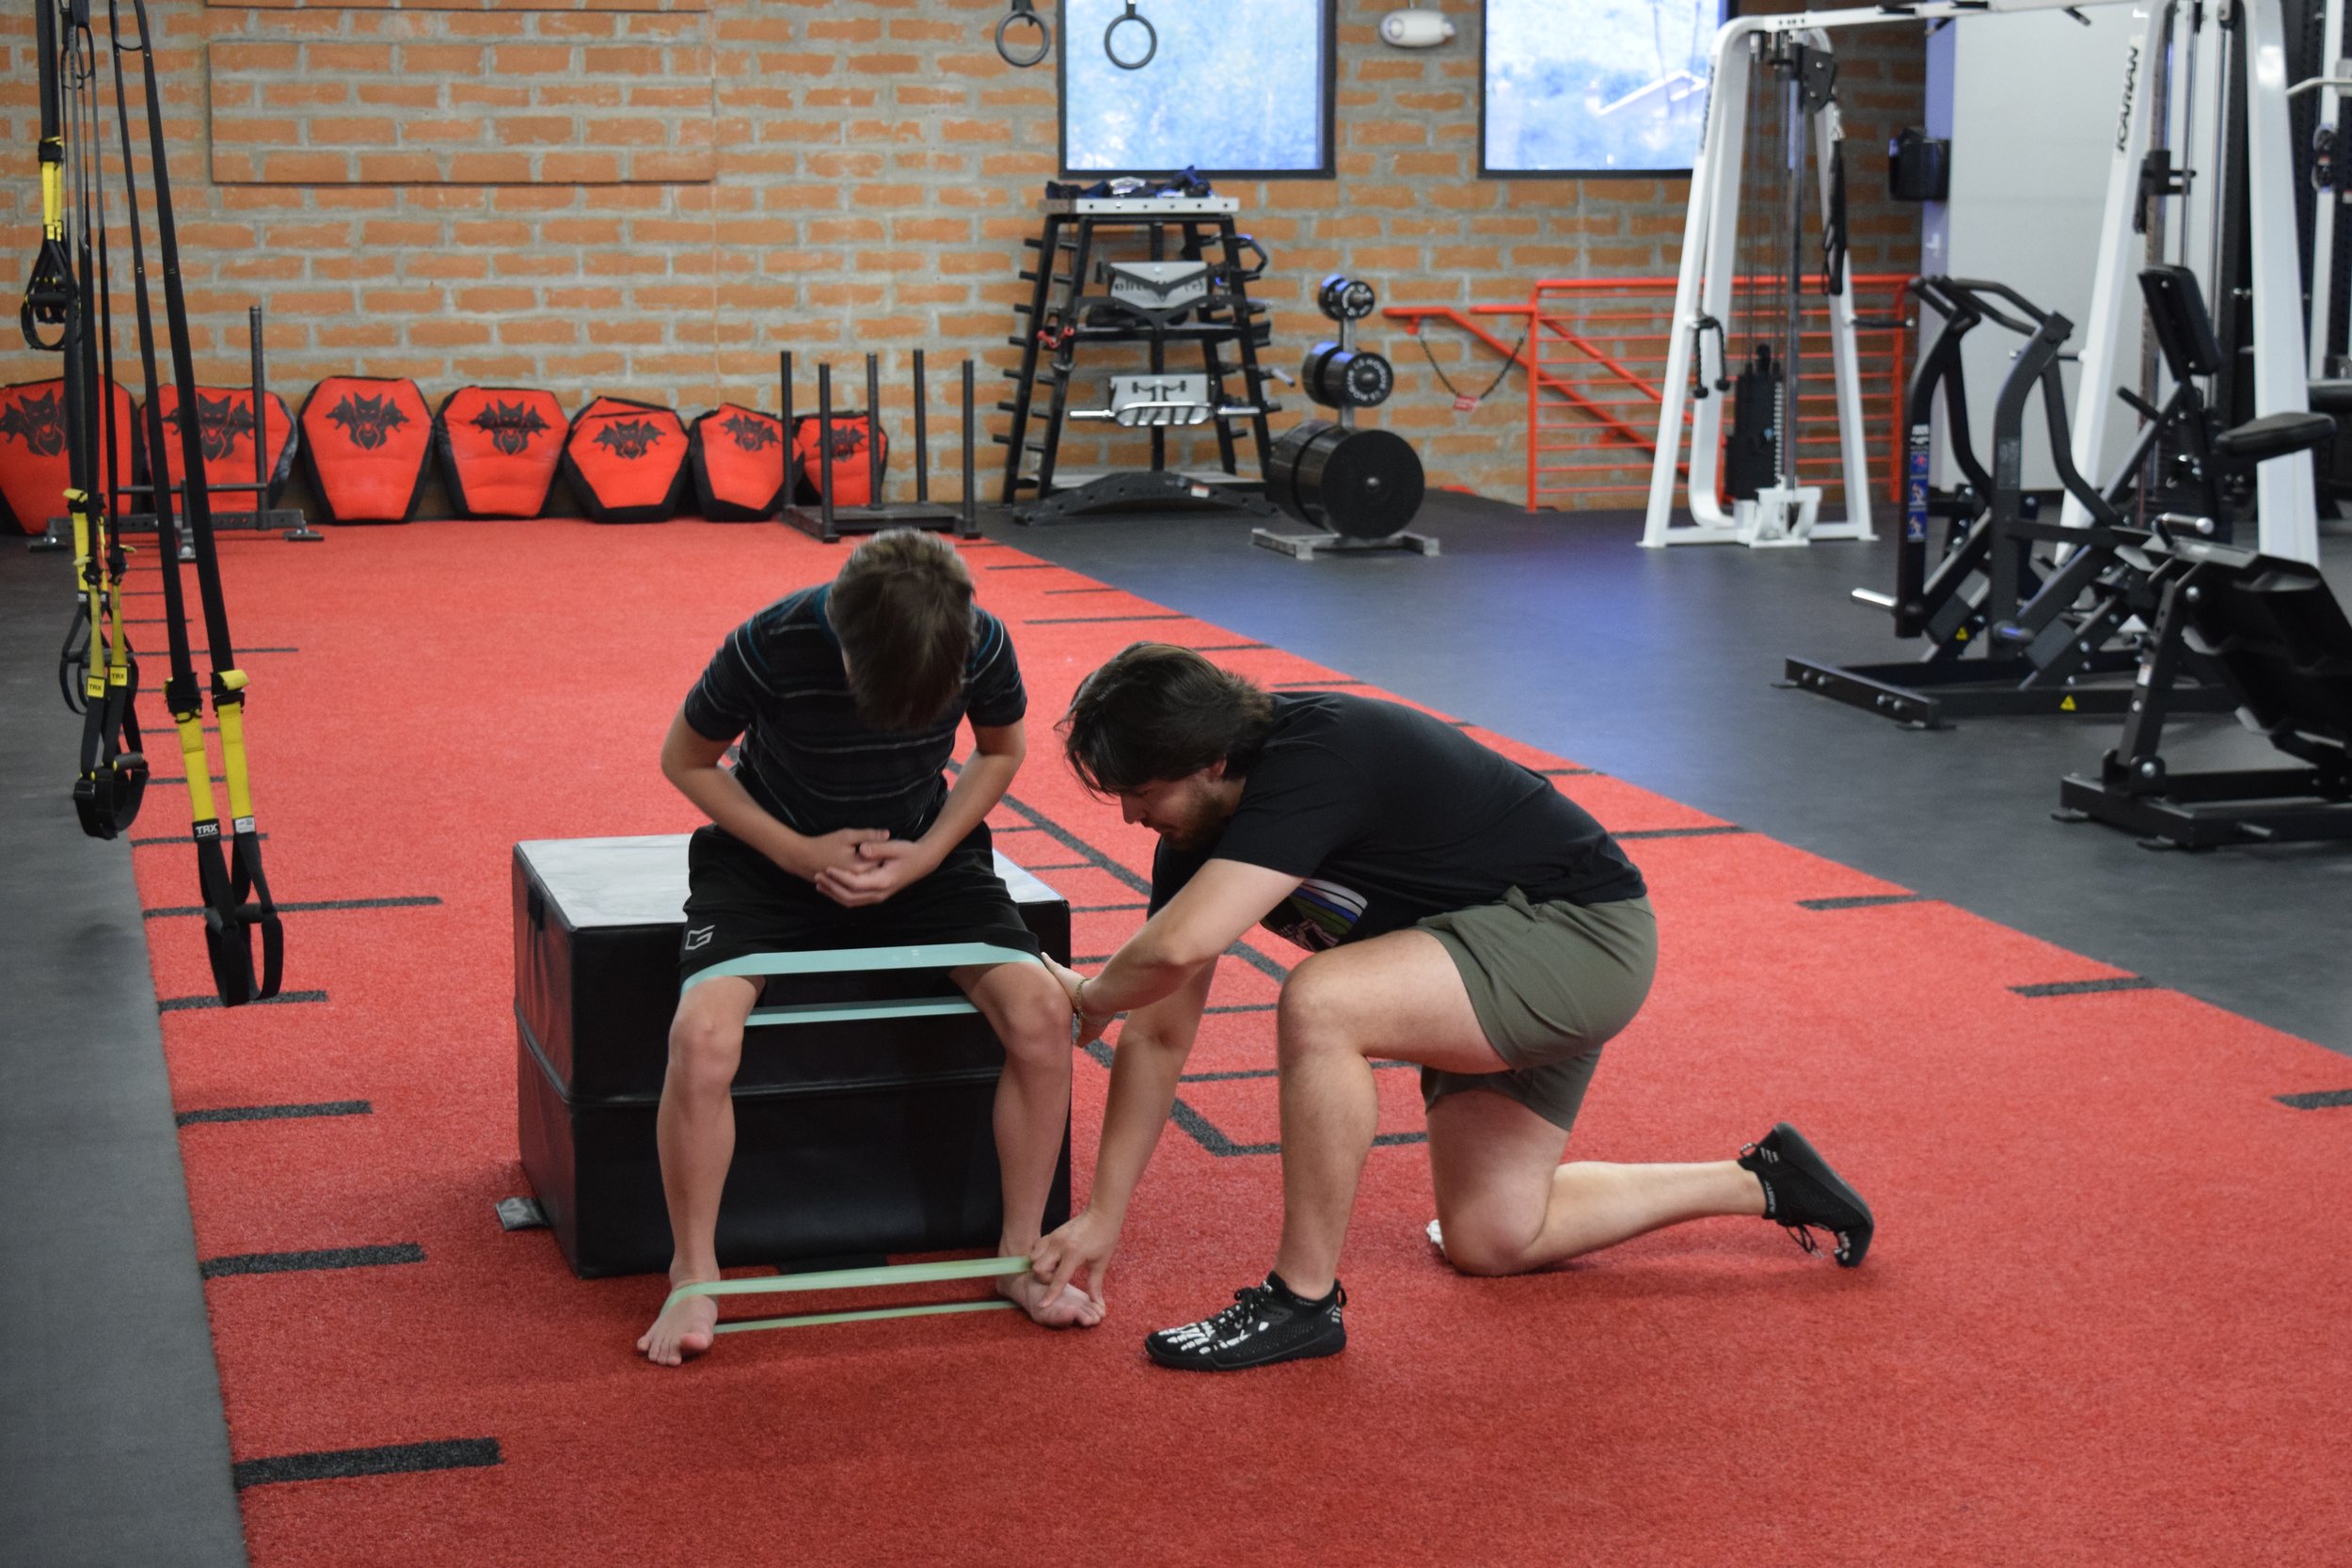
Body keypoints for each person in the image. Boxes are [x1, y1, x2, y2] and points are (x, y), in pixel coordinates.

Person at [1027, 642, 1871, 1371]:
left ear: (1212, 759)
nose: (1133, 815)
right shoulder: (1195, 835)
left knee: (1324, 999)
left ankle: (1301, 1301)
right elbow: (1162, 1027)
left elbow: (1171, 953)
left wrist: (1092, 995)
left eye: (1142, 791)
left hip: (1577, 938)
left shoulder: (1323, 751)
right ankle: (1763, 1177)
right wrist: (1103, 1214)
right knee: (1493, 1236)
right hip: (1480, 955)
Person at [637, 530, 1093, 1366]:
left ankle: (1018, 1255)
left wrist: (926, 854)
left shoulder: (980, 639)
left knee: (1038, 1015)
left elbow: (1001, 749)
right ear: (843, 645)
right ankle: (694, 1270)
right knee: (701, 1039)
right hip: (772, 858)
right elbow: (686, 759)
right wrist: (796, 853)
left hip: (924, 849)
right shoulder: (770, 642)